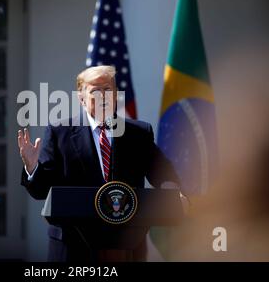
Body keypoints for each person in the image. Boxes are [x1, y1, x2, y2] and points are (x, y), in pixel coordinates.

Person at [18, 65, 185, 261]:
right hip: (71, 248)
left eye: (108, 89)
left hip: (125, 246)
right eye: (96, 90)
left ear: (116, 96)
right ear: (81, 97)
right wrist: (32, 168)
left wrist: (173, 193)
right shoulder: (59, 132)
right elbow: (40, 191)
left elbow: (165, 176)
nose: (103, 96)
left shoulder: (138, 133)